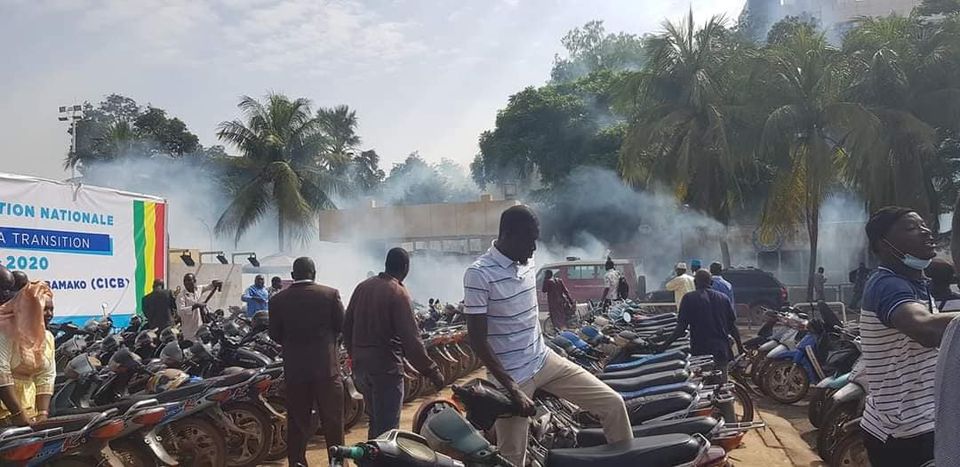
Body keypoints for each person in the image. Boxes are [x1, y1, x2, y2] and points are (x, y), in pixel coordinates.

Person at [464, 205, 632, 466]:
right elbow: (476, 339)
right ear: (508, 235)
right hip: (511, 376)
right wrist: (512, 390)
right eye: (530, 240)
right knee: (512, 458)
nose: (534, 248)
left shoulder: (527, 261)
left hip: (544, 359)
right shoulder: (478, 274)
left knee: (613, 404)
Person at [859, 207, 956, 467]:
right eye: (912, 228)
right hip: (906, 429)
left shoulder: (916, 284)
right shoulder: (888, 285)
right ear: (884, 244)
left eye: (924, 225)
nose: (925, 232)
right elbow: (925, 329)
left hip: (914, 420)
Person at [344, 248, 444, 439]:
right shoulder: (398, 292)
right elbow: (411, 340)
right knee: (388, 429)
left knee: (375, 423)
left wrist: (354, 354)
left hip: (361, 369)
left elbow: (346, 325)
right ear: (406, 267)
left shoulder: (362, 287)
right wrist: (432, 371)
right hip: (386, 369)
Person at [269, 257, 345, 467]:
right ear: (314, 273)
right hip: (327, 372)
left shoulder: (278, 300)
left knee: (297, 423)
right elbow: (341, 326)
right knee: (333, 423)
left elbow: (274, 334)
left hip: (295, 372)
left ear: (293, 276)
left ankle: (297, 463)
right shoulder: (330, 295)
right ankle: (337, 463)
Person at [659, 270, 743, 384]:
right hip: (721, 350)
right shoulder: (724, 299)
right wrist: (740, 347)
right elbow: (732, 327)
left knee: (703, 386)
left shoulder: (689, 298)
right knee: (722, 387)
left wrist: (664, 346)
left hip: (701, 351)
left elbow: (680, 329)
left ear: (695, 282)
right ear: (711, 282)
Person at [0, 268, 55, 427]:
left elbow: (46, 375)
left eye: (51, 309)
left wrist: (42, 414)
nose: (49, 314)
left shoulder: (48, 338)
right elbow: (1, 372)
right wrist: (18, 414)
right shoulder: (6, 331)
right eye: (44, 309)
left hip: (28, 410)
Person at [176, 274, 221, 344]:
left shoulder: (198, 289)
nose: (186, 283)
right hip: (189, 330)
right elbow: (180, 312)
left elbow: (210, 286)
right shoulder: (181, 296)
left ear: (194, 281)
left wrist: (215, 283)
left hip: (200, 328)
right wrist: (195, 306)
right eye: (185, 281)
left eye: (189, 280)